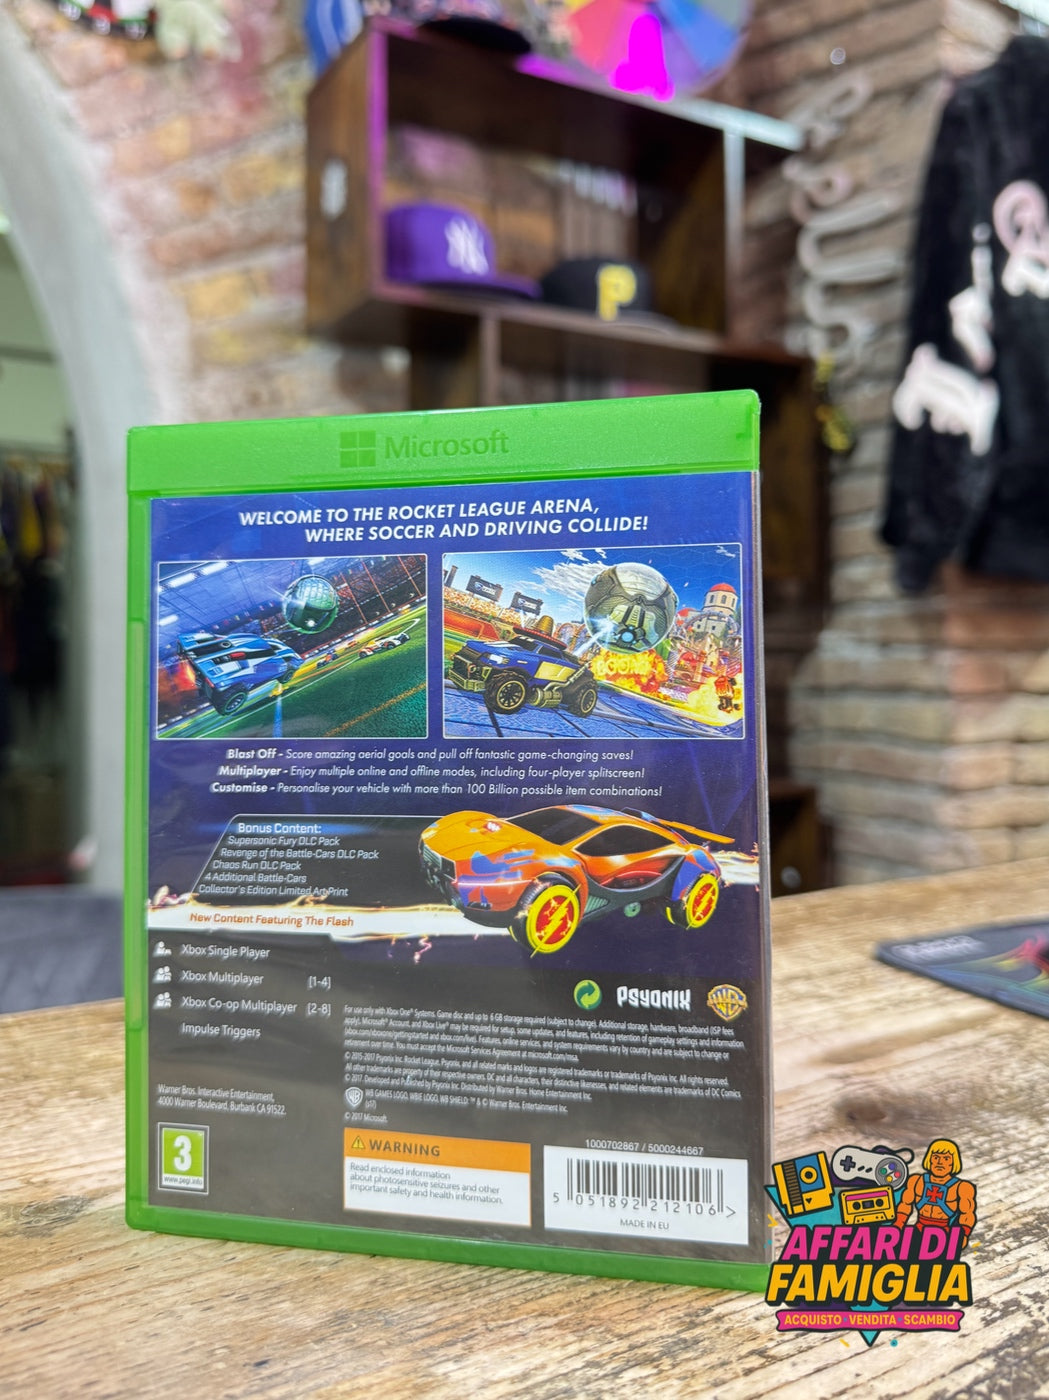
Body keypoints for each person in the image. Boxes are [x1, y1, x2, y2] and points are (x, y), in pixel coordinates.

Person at [894, 1138, 976, 1243]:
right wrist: (898, 1225)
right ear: (930, 1159)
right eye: (936, 1157)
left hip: (944, 1236)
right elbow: (905, 1205)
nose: (940, 1162)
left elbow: (967, 1214)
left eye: (946, 1158)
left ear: (953, 1162)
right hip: (918, 1231)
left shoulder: (962, 1187)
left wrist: (963, 1235)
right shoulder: (916, 1181)